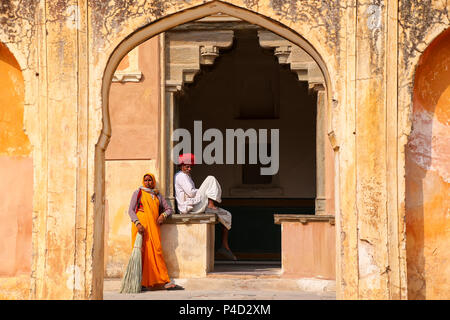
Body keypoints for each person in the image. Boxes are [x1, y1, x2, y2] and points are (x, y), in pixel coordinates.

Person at [174, 153, 237, 261]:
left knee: (227, 215)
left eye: (190, 166)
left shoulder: (186, 176)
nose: (189, 168)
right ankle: (210, 203)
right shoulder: (181, 176)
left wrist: (204, 193)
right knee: (210, 179)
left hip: (195, 205)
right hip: (190, 207)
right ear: (181, 166)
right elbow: (191, 193)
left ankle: (225, 246)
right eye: (186, 166)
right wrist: (205, 193)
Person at [127, 172, 183, 291]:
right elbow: (131, 210)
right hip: (140, 229)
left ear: (153, 181)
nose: (148, 182)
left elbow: (169, 209)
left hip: (153, 229)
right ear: (143, 181)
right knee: (141, 254)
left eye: (150, 180)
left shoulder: (157, 195)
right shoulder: (138, 193)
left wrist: (163, 215)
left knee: (156, 252)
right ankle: (140, 283)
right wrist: (137, 223)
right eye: (146, 180)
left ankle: (165, 281)